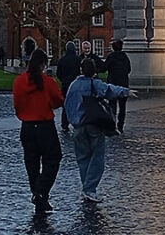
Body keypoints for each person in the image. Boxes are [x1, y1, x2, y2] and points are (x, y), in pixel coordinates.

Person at [64, 58, 136, 203]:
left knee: (83, 159)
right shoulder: (94, 84)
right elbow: (109, 90)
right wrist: (126, 92)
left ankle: (86, 187)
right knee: (97, 159)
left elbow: (67, 104)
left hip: (78, 126)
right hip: (94, 125)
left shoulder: (73, 85)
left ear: (81, 70)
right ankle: (89, 189)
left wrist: (74, 121)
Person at [12, 49, 64, 215]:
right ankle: (41, 192)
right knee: (53, 159)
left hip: (27, 127)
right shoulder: (47, 82)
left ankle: (39, 196)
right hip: (45, 126)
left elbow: (17, 105)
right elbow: (57, 102)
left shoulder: (19, 82)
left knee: (32, 164)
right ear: (43, 64)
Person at [104, 39, 131, 133]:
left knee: (112, 106)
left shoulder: (111, 57)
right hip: (124, 84)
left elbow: (104, 68)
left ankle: (113, 125)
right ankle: (120, 126)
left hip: (113, 84)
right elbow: (129, 69)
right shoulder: (125, 57)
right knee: (122, 107)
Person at [56, 41, 81, 132]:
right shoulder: (78, 60)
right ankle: (76, 122)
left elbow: (58, 73)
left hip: (65, 85)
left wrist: (63, 80)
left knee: (65, 105)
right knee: (76, 105)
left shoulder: (62, 60)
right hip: (76, 85)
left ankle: (64, 124)